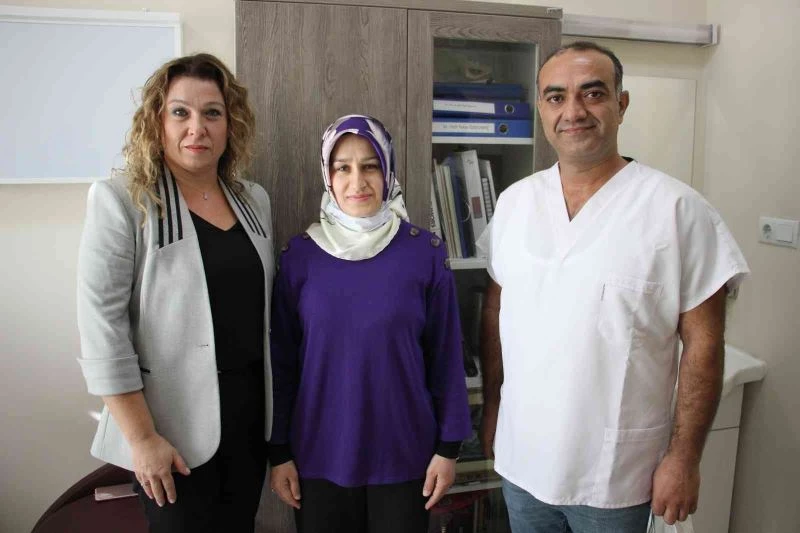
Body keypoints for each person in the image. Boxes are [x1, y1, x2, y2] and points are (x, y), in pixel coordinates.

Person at [477, 41, 750, 533]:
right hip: (523, 460)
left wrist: (684, 457)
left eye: (593, 93)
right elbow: (497, 311)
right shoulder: (515, 203)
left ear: (621, 104)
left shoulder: (677, 211)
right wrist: (492, 406)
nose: (573, 111)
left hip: (617, 474)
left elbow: (705, 345)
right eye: (556, 97)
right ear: (541, 108)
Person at [76, 53, 274, 533]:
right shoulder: (123, 200)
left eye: (212, 113)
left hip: (248, 421)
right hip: (169, 431)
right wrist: (142, 439)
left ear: (231, 124)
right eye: (180, 112)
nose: (196, 128)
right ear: (158, 122)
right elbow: (102, 328)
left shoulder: (254, 200)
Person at [268, 114, 471, 533]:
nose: (356, 181)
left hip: (406, 455)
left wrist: (449, 448)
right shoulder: (299, 258)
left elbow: (446, 357)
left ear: (388, 170)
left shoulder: (425, 254)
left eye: (370, 166)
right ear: (327, 175)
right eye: (343, 167)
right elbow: (281, 366)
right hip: (318, 456)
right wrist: (279, 451)